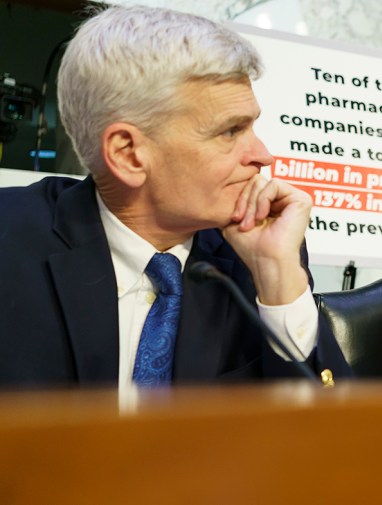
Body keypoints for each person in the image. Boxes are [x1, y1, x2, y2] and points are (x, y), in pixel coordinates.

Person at [0, 5, 349, 387]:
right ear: (128, 154)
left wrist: (279, 278)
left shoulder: (260, 254)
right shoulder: (10, 242)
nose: (263, 155)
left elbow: (337, 435)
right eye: (230, 131)